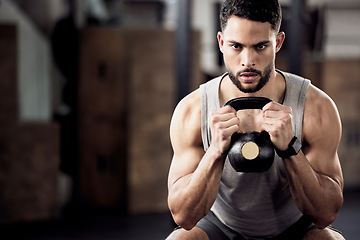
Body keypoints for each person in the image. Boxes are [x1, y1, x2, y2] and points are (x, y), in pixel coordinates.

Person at [166, 0, 345, 239]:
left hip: (293, 227)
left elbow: (326, 214)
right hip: (223, 227)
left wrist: (291, 148)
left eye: (260, 46)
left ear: (278, 43)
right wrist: (215, 152)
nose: (247, 60)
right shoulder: (193, 110)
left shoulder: (317, 107)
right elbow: (182, 216)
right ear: (221, 43)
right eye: (236, 46)